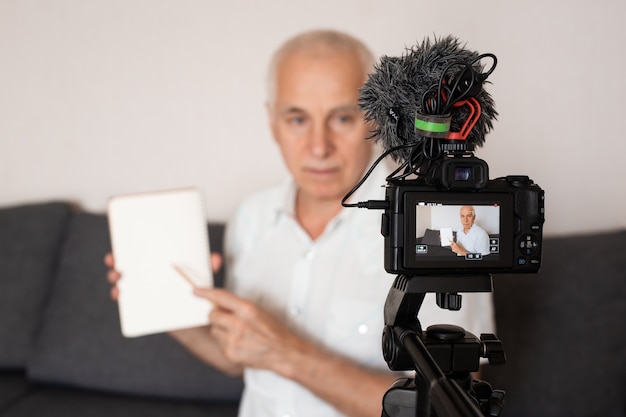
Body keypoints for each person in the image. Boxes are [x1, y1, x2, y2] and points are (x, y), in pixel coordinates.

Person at [106, 30, 495, 417]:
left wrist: (288, 354)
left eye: (342, 117)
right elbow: (240, 359)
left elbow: (454, 408)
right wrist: (169, 306)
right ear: (273, 123)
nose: (319, 146)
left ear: (377, 118)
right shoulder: (251, 217)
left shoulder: (431, 223)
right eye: (297, 119)